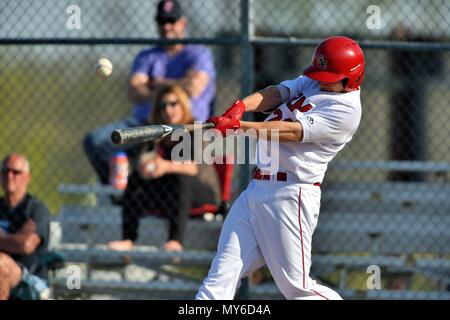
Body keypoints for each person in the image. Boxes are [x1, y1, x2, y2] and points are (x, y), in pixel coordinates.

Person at [196, 36, 364, 300]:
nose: (320, 80)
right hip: (256, 190)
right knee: (220, 277)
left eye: (328, 75)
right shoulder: (315, 82)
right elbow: (278, 93)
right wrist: (241, 107)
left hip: (291, 194)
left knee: (297, 288)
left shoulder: (347, 111)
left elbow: (290, 131)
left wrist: (240, 128)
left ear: (349, 79)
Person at [83, 0, 216, 185]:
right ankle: (120, 191)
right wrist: (178, 86)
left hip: (187, 127)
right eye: (162, 21)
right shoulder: (147, 56)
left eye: (172, 20)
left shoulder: (198, 53)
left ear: (183, 23)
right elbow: (133, 91)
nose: (167, 26)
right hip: (146, 124)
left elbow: (194, 87)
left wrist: (154, 83)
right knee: (95, 141)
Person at [108, 85, 221, 252]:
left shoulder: (195, 129)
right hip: (169, 193)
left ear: (183, 105)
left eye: (173, 103)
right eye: (163, 106)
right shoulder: (156, 132)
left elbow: (194, 169)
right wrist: (145, 167)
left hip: (200, 191)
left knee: (181, 179)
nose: (168, 110)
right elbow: (145, 160)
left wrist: (166, 166)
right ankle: (128, 239)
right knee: (136, 179)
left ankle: (175, 241)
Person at [0, 154, 50, 300]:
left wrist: (5, 238)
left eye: (16, 172)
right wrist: (16, 238)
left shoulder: (36, 209)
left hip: (30, 277)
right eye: (5, 171)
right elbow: (20, 242)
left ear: (27, 177)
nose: (10, 176)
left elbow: (26, 245)